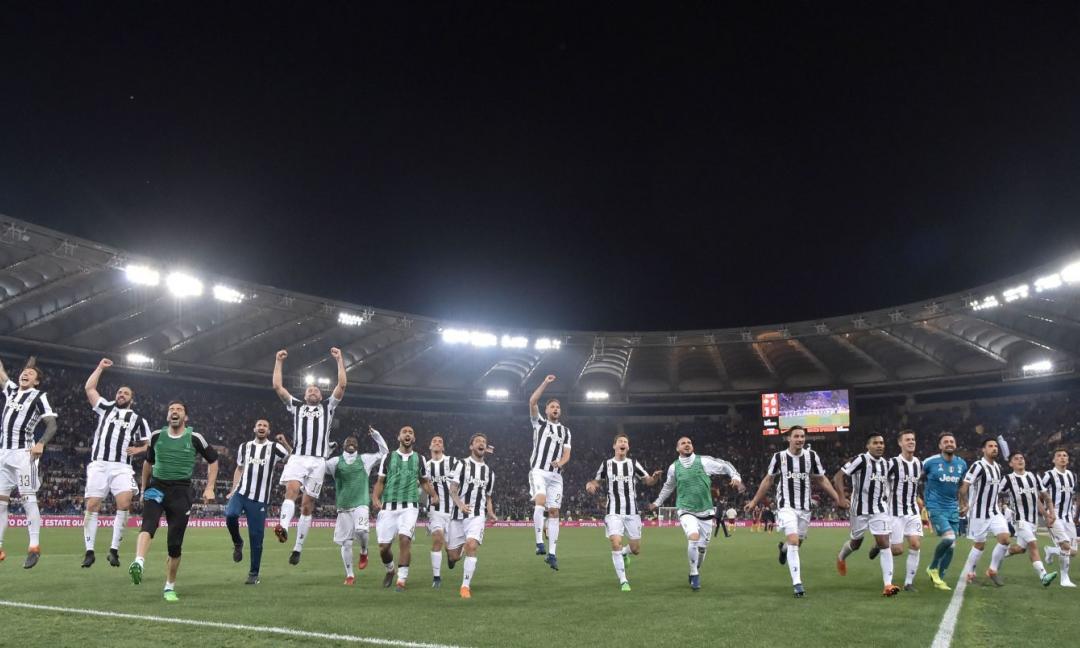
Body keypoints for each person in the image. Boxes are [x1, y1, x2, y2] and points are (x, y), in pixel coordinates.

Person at [128, 401, 219, 601]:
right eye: (171, 409)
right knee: (148, 525)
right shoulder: (156, 436)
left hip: (181, 492)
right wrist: (144, 488)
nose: (174, 411)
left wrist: (210, 487)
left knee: (174, 544)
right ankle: (139, 562)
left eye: (179, 409)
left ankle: (169, 586)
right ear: (167, 416)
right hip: (157, 487)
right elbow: (148, 463)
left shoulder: (195, 438)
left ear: (185, 417)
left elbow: (213, 460)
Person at [745, 425, 847, 597]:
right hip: (786, 506)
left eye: (802, 436)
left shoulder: (812, 456)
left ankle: (783, 549)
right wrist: (755, 501)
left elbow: (821, 479)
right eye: (796, 436)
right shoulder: (779, 457)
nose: (800, 439)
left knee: (796, 542)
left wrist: (838, 498)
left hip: (805, 508)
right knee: (793, 540)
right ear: (789, 439)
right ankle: (797, 584)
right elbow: (769, 480)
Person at [272, 347, 346, 565]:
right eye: (309, 390)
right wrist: (278, 361)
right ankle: (283, 526)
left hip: (318, 462)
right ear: (304, 395)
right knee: (291, 490)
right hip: (298, 457)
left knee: (307, 505)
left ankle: (297, 548)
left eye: (316, 390)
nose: (312, 391)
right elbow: (277, 386)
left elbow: (342, 385)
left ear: (321, 396)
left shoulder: (328, 407)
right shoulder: (296, 406)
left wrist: (340, 360)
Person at [648, 436, 744, 591]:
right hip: (685, 510)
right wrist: (657, 503)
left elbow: (725, 465)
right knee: (693, 537)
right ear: (677, 449)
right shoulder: (674, 467)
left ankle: (696, 569)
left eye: (689, 442)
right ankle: (694, 574)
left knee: (702, 548)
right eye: (683, 443)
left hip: (706, 511)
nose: (687, 445)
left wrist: (735, 477)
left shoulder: (704, 461)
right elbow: (668, 487)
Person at [81, 358, 151, 569]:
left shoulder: (138, 420)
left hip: (121, 466)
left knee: (124, 503)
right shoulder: (105, 407)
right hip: (99, 464)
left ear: (132, 399)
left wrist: (138, 449)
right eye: (119, 392)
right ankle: (89, 551)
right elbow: (89, 387)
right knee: (92, 505)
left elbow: (149, 444)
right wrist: (100, 368)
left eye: (125, 393)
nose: (121, 395)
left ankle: (114, 550)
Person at [0, 356, 58, 568]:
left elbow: (52, 425)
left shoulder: (39, 396)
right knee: (0, 503)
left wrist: (41, 443)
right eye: (24, 372)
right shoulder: (12, 390)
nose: (25, 374)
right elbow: (1, 373)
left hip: (24, 455)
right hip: (3, 454)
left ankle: (34, 547)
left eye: (31, 373)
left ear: (37, 381)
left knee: (27, 499)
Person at [585, 433, 662, 591]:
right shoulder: (606, 464)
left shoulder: (633, 463)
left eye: (625, 442)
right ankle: (623, 580)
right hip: (613, 511)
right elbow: (596, 481)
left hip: (632, 512)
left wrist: (654, 478)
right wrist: (590, 485)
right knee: (615, 542)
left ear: (628, 447)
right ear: (614, 446)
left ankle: (625, 553)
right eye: (620, 441)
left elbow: (648, 481)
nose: (623, 443)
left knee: (636, 549)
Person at [372, 425, 439, 591]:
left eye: (411, 433)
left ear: (413, 439)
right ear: (399, 437)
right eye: (404, 432)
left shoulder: (420, 459)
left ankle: (401, 579)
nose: (407, 434)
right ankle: (390, 570)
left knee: (404, 538)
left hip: (410, 506)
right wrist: (375, 497)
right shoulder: (388, 457)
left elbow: (424, 481)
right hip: (388, 506)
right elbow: (380, 481)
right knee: (384, 548)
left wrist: (434, 495)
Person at [224, 419, 291, 584]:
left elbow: (294, 458)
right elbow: (239, 468)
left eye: (265, 426)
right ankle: (238, 542)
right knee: (230, 514)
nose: (261, 427)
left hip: (260, 500)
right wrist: (233, 489)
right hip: (241, 493)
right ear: (254, 429)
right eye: (259, 425)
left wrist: (285, 443)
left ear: (268, 431)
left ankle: (254, 574)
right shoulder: (244, 447)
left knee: (256, 537)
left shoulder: (274, 448)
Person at [835, 432, 899, 596]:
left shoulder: (886, 464)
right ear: (868, 446)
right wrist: (842, 498)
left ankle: (888, 585)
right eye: (876, 443)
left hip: (879, 509)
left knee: (884, 542)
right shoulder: (861, 460)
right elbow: (838, 476)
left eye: (882, 443)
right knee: (856, 543)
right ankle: (841, 557)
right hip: (859, 510)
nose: (879, 446)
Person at [325, 427, 388, 585]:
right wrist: (327, 449)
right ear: (344, 445)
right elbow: (318, 465)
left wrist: (377, 435)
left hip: (361, 503)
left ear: (358, 446)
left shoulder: (365, 459)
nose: (351, 442)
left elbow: (384, 453)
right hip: (343, 506)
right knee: (346, 543)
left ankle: (364, 551)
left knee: (361, 530)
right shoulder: (335, 462)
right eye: (348, 441)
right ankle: (350, 575)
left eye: (354, 441)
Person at [527, 374, 571, 570]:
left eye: (558, 407)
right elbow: (532, 400)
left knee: (554, 512)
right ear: (546, 410)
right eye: (552, 406)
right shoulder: (539, 423)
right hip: (538, 471)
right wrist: (545, 383)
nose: (555, 409)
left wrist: (560, 463)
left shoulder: (566, 431)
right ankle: (538, 542)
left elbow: (567, 454)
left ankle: (552, 554)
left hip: (556, 476)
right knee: (541, 500)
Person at [446, 433, 496, 599]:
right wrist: (460, 504)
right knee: (453, 555)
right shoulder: (461, 464)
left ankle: (465, 586)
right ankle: (455, 556)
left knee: (472, 545)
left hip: (477, 515)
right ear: (471, 446)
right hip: (457, 515)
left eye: (484, 441)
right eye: (478, 441)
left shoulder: (489, 472)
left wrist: (490, 512)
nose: (481, 443)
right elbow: (452, 489)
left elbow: (488, 496)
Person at [1001, 450, 1058, 587]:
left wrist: (1050, 514)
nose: (1020, 460)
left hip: (1033, 521)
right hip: (1019, 520)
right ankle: (1044, 576)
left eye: (1022, 458)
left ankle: (1004, 552)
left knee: (1021, 548)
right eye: (1016, 458)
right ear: (1011, 463)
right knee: (1033, 544)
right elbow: (994, 493)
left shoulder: (1033, 477)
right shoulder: (1008, 479)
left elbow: (1044, 498)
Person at [957, 438, 1010, 586]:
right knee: (980, 545)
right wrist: (964, 504)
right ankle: (970, 573)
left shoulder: (998, 467)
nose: (994, 448)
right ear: (983, 450)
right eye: (990, 446)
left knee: (1005, 539)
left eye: (995, 446)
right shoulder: (978, 466)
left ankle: (992, 570)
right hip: (978, 513)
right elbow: (965, 486)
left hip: (994, 511)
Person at [923, 432, 968, 590]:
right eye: (946, 442)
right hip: (935, 506)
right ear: (940, 446)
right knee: (948, 538)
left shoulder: (962, 464)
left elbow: (961, 485)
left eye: (952, 441)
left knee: (952, 546)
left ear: (955, 445)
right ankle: (932, 567)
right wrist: (918, 499)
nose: (949, 443)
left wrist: (964, 503)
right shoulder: (930, 462)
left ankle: (939, 579)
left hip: (952, 507)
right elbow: (915, 478)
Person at [886, 429, 923, 592]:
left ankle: (908, 583)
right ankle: (881, 544)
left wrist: (918, 498)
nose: (911, 442)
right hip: (895, 512)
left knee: (915, 544)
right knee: (897, 550)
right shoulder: (892, 463)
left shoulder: (918, 463)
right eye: (907, 439)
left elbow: (914, 485)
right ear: (900, 443)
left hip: (912, 511)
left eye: (913, 439)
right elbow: (881, 482)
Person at [425, 435, 459, 589]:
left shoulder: (453, 462)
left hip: (453, 511)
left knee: (454, 556)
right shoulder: (425, 466)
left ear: (443, 448)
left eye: (440, 441)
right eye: (434, 441)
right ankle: (437, 578)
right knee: (437, 539)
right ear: (430, 447)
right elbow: (422, 485)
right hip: (436, 511)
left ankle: (452, 556)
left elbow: (466, 472)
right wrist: (430, 497)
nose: (437, 443)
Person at [1041, 448, 1077, 587]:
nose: (1062, 457)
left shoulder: (1072, 476)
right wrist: (1046, 513)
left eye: (1065, 455)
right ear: (1054, 460)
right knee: (1066, 546)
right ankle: (1064, 579)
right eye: (1059, 456)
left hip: (1068, 517)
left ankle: (1050, 550)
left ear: (1068, 459)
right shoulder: (1049, 475)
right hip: (1054, 515)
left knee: (1072, 552)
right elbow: (1039, 493)